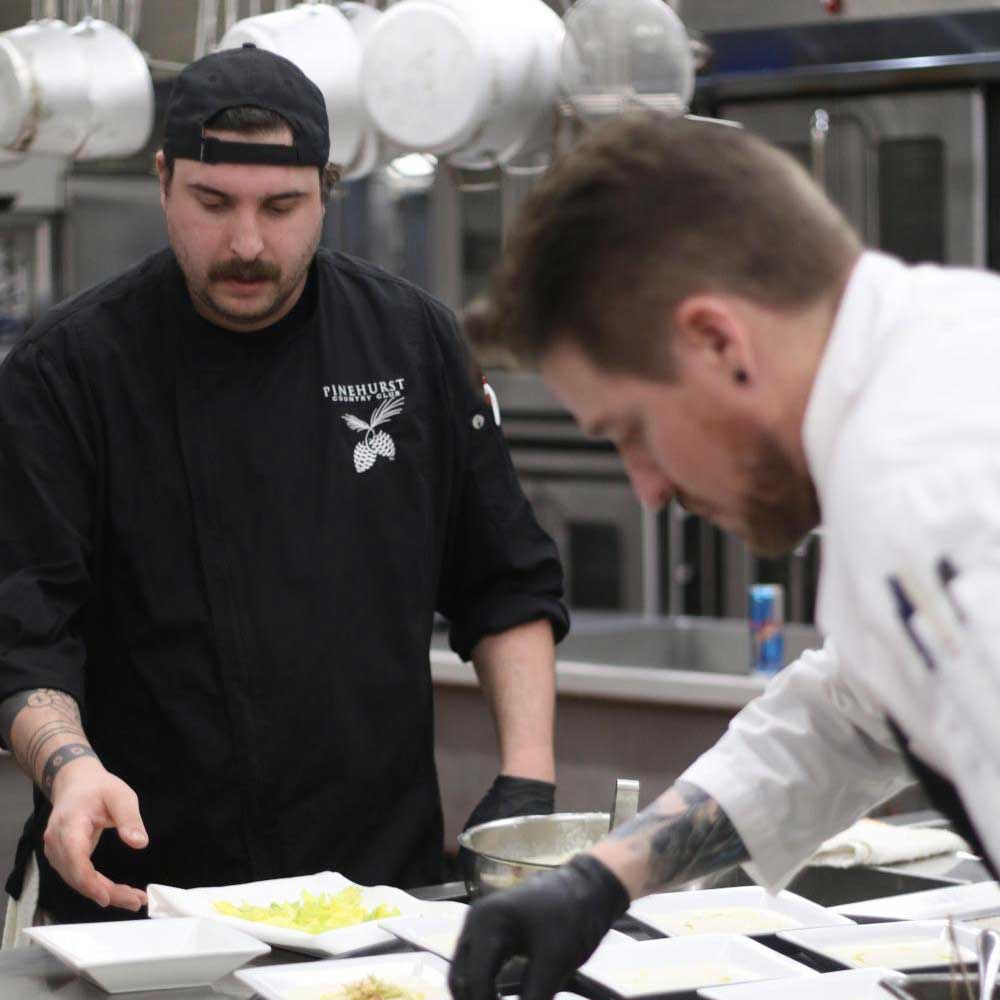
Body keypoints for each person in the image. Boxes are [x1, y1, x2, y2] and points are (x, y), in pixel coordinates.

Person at [0, 45, 568, 939]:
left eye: (282, 207)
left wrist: (526, 780)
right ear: (163, 182)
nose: (247, 245)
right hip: (143, 904)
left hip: (379, 895)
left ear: (327, 189)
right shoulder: (67, 372)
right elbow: (26, 633)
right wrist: (68, 765)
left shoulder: (410, 346)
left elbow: (506, 582)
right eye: (212, 203)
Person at [448, 111, 1000, 1000]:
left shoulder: (927, 490)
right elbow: (853, 711)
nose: (648, 489)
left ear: (718, 341)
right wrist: (607, 874)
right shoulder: (930, 363)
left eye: (632, 431)